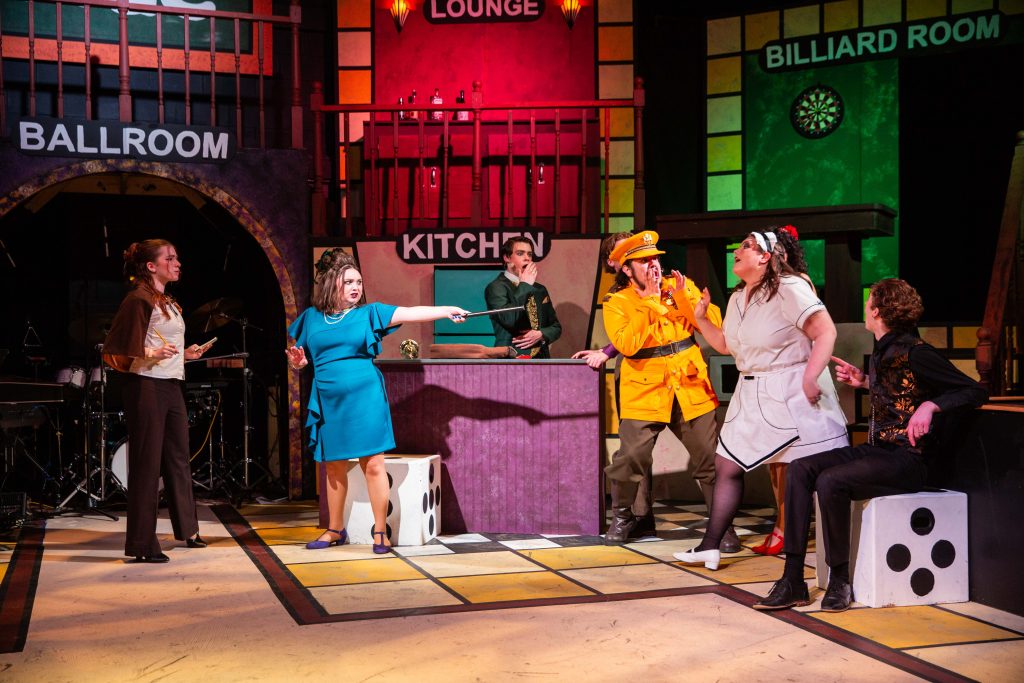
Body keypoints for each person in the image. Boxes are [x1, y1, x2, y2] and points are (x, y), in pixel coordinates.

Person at [752, 278, 988, 612]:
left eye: (869, 302)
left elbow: (975, 390)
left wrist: (931, 406)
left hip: (909, 459)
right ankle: (792, 579)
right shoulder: (884, 350)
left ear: (877, 310)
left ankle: (840, 580)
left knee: (831, 480)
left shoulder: (917, 352)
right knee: (801, 468)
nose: (865, 307)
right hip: (879, 450)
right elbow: (900, 389)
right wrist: (864, 381)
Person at [674, 229, 849, 570]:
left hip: (790, 394)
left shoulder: (790, 287)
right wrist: (699, 318)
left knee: (812, 474)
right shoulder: (738, 298)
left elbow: (826, 331)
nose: (736, 251)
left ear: (765, 257)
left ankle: (830, 555)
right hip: (751, 393)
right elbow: (725, 345)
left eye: (746, 246)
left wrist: (811, 377)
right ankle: (711, 546)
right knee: (726, 464)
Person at [286, 250, 468, 553]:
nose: (356, 287)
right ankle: (335, 529)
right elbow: (302, 359)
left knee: (373, 464)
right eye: (349, 282)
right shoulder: (312, 318)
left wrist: (447, 310)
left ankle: (380, 531)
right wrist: (298, 363)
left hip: (365, 397)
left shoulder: (369, 314)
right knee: (333, 467)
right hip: (329, 400)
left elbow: (410, 312)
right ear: (331, 283)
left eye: (358, 282)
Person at [601, 230, 740, 551]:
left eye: (655, 258)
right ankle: (622, 516)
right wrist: (650, 303)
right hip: (644, 391)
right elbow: (626, 344)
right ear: (626, 269)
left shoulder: (680, 285)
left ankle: (722, 525)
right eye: (643, 261)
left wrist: (683, 299)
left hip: (690, 387)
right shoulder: (617, 302)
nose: (653, 264)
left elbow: (711, 325)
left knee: (710, 459)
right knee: (631, 457)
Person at [103, 239, 209, 563]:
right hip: (145, 386)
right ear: (151, 266)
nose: (177, 263)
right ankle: (142, 545)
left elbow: (164, 349)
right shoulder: (137, 299)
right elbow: (116, 349)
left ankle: (188, 529)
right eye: (170, 258)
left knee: (178, 457)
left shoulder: (167, 302)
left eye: (177, 258)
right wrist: (151, 352)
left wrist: (185, 355)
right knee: (147, 463)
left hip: (171, 384)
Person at [750, 224, 813, 556]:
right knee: (775, 461)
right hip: (772, 383)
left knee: (789, 461)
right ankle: (783, 524)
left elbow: (813, 331)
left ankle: (787, 529)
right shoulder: (768, 287)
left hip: (795, 380)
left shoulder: (798, 283)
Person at [485, 237, 561, 358]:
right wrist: (525, 285)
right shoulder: (496, 287)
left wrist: (541, 334)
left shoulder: (540, 289)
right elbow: (510, 319)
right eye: (520, 253)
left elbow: (555, 327)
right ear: (507, 258)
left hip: (541, 359)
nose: (527, 258)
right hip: (510, 358)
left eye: (529, 254)